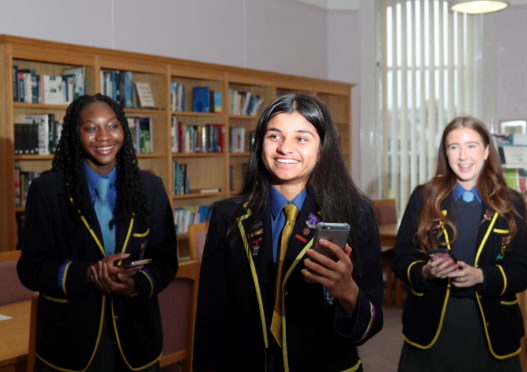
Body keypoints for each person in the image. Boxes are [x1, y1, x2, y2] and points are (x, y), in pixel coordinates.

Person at [193, 93, 383, 372]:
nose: (285, 148)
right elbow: (211, 317)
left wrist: (347, 292)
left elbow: (369, 325)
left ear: (323, 149)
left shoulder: (354, 212)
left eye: (301, 138)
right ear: (260, 144)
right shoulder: (228, 215)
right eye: (274, 136)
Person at [17, 94, 178, 372]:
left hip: (137, 338)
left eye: (112, 126)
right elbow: (32, 268)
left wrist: (135, 284)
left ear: (123, 131)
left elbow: (165, 262)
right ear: (75, 134)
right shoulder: (47, 190)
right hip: (69, 341)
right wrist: (88, 274)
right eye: (91, 128)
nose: (104, 136)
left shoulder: (150, 187)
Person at [392, 116, 527, 371]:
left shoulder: (511, 202)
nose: (462, 156)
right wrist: (425, 271)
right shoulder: (423, 197)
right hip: (432, 324)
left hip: (492, 326)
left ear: (487, 151)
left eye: (471, 145)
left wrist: (482, 276)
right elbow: (401, 259)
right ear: (445, 153)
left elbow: (524, 271)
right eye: (453, 147)